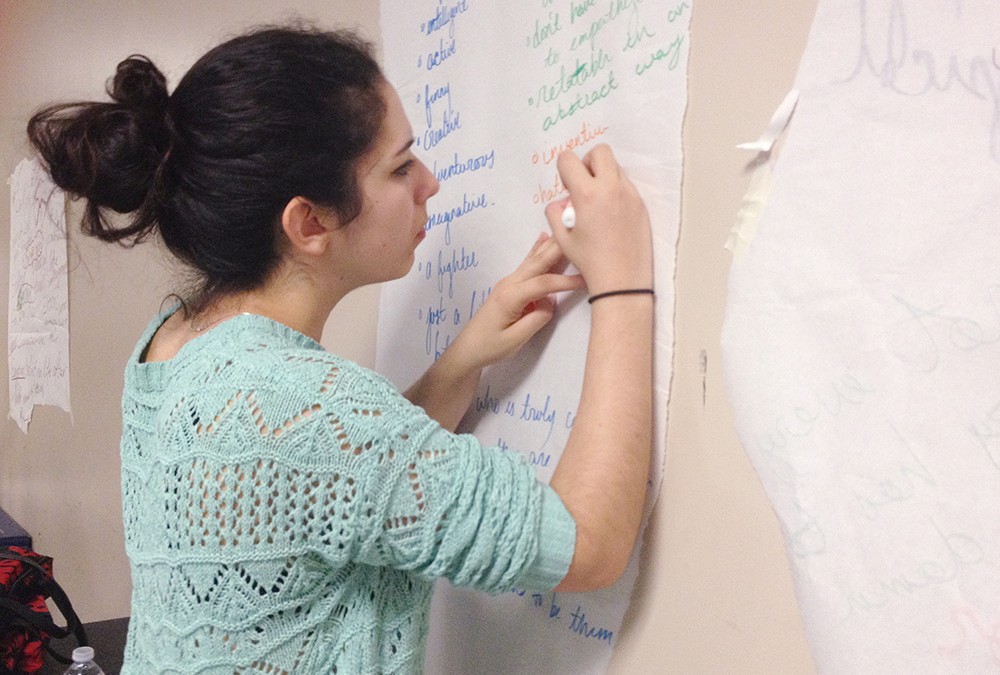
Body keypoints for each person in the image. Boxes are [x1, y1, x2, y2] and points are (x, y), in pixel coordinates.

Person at [27, 23, 653, 674]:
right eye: (401, 165)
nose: (431, 183)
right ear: (310, 222)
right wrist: (624, 282)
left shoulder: (175, 342)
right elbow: (587, 547)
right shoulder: (300, 400)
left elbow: (332, 492)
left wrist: (464, 357)